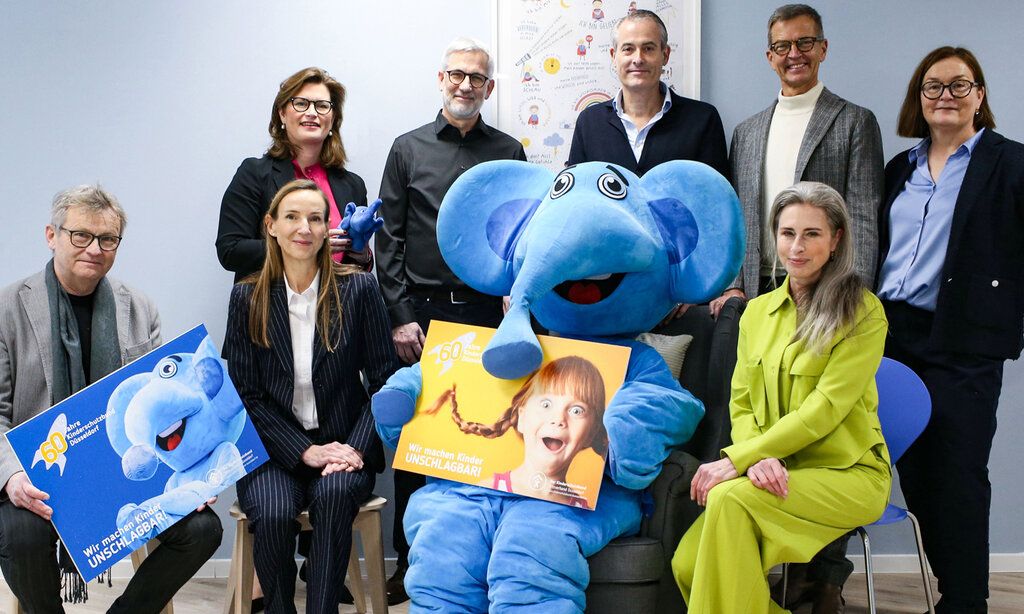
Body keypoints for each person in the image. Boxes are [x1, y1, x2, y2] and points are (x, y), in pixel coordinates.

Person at [0, 185, 222, 613]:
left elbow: (165, 405)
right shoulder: (8, 308)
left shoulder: (139, 307)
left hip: (120, 474)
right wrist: (11, 477)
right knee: (19, 534)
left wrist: (196, 473)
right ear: (52, 235)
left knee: (202, 529)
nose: (94, 249)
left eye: (108, 240)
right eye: (80, 235)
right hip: (36, 475)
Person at [672, 182, 892, 614]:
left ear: (836, 240)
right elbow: (743, 403)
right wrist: (756, 458)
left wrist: (739, 460)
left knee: (729, 499)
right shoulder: (756, 312)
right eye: (788, 232)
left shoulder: (863, 312)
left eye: (812, 233)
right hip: (774, 473)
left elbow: (823, 411)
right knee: (688, 565)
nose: (797, 246)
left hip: (848, 476)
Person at [374, 35, 526, 604]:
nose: (466, 85)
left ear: (489, 88)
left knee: (484, 441)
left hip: (488, 313)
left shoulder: (509, 151)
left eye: (477, 78)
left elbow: (520, 232)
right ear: (441, 80)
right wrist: (400, 315)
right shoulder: (406, 148)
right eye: (457, 75)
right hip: (425, 316)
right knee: (419, 444)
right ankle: (409, 565)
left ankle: (473, 566)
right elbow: (388, 238)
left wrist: (516, 301)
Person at [876, 46, 1024, 614]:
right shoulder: (900, 169)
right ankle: (949, 590)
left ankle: (966, 602)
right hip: (892, 338)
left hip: (963, 338)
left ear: (979, 96)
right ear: (919, 98)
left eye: (960, 86)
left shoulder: (1009, 164)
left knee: (959, 473)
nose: (946, 96)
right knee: (916, 470)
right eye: (933, 87)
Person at [223, 180, 400, 614]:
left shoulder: (359, 290)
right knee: (273, 510)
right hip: (272, 451)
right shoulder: (247, 296)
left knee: (336, 497)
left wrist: (354, 449)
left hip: (345, 443)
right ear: (271, 226)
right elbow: (247, 396)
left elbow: (384, 379)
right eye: (292, 217)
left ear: (328, 230)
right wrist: (305, 452)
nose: (304, 227)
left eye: (316, 218)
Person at [712, 4, 883, 323]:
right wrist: (733, 286)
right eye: (782, 46)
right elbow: (736, 217)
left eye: (804, 42)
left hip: (826, 288)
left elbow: (863, 215)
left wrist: (855, 293)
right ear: (770, 56)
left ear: (823, 48)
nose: (794, 53)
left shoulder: (855, 121)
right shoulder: (746, 132)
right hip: (758, 290)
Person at [216, 67, 371, 283]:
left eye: (322, 106)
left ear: (333, 119)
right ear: (282, 113)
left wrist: (360, 252)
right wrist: (307, 245)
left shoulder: (353, 184)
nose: (312, 112)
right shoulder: (254, 173)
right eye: (301, 103)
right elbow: (230, 251)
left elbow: (357, 268)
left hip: (340, 309)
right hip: (273, 309)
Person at [426, 356, 608, 507]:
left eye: (577, 410)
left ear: (590, 434)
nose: (559, 419)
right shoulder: (486, 488)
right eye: (546, 404)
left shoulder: (583, 507)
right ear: (521, 418)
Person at [567, 10, 729, 179]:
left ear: (665, 55)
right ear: (614, 56)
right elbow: (577, 196)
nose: (638, 59)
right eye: (628, 49)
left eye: (648, 48)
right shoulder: (589, 122)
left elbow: (716, 198)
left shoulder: (703, 120)